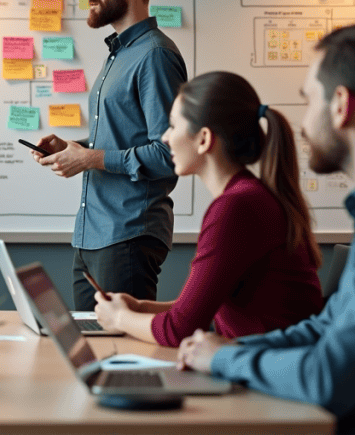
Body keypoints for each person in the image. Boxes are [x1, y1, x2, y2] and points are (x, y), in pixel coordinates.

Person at [178, 18, 355, 434]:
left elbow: (328, 377)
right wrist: (230, 347)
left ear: (341, 105)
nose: (304, 123)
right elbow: (327, 325)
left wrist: (223, 359)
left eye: (309, 101)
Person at [93, 71, 323, 345]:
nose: (165, 138)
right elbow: (193, 310)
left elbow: (180, 329)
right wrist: (139, 308)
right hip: (264, 361)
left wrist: (119, 319)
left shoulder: (236, 207)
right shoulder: (246, 197)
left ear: (203, 139)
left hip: (270, 373)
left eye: (173, 126)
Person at [31, 0, 187, 310]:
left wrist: (89, 159)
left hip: (128, 234)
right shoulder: (120, 54)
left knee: (122, 357)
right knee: (93, 349)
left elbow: (169, 153)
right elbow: (121, 134)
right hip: (93, 235)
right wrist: (74, 148)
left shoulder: (155, 56)